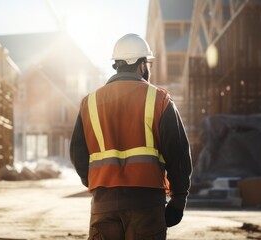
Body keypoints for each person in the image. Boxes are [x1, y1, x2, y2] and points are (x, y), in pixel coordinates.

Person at [70, 33, 192, 240]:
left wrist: (98, 184)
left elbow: (78, 154)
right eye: (148, 64)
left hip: (103, 205)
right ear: (142, 64)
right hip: (146, 204)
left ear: (116, 65)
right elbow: (178, 153)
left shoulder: (89, 103)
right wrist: (179, 197)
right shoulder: (160, 100)